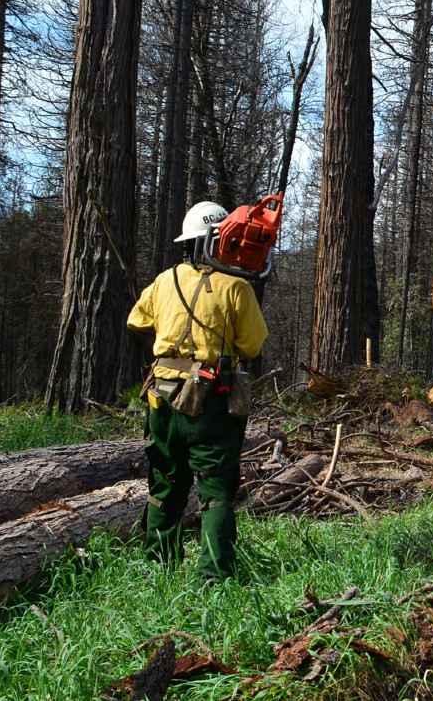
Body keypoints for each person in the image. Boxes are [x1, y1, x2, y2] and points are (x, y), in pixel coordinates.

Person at [127, 201, 268, 582]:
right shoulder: (236, 287)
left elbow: (136, 320)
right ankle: (215, 576)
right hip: (210, 400)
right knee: (217, 486)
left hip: (163, 396)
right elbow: (252, 345)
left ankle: (158, 567)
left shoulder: (163, 281)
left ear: (188, 242)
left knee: (166, 480)